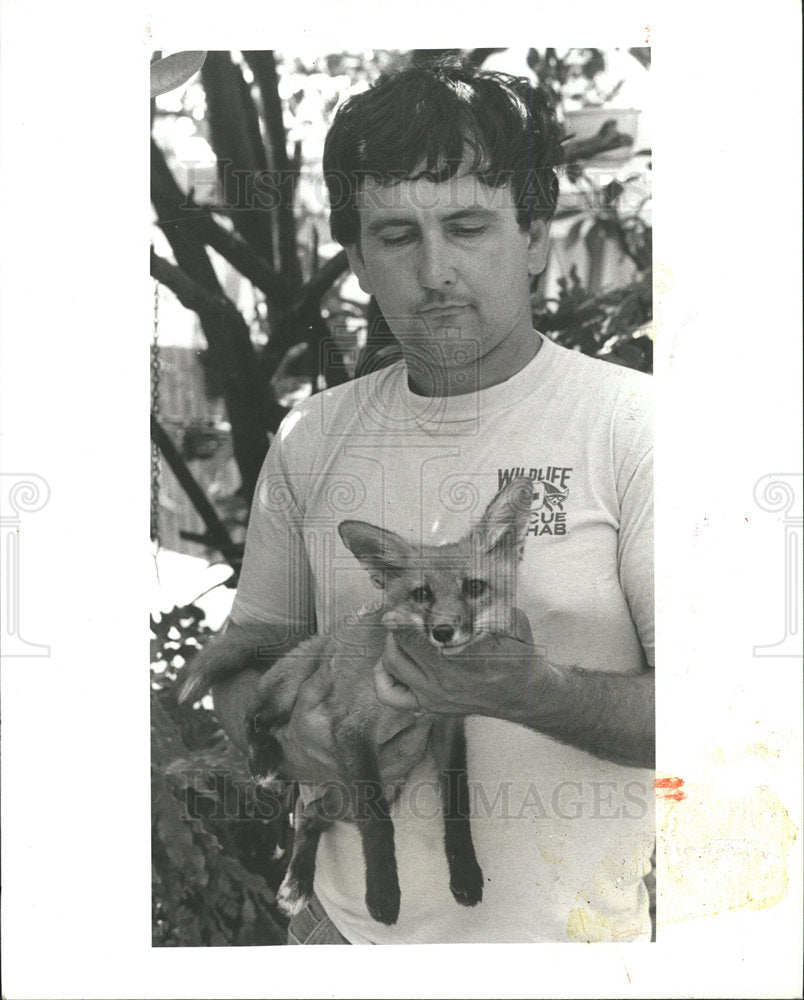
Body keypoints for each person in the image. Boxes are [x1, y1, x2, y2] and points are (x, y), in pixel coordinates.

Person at [208, 62, 655, 945]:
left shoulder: (636, 427)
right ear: (357, 259)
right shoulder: (312, 437)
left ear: (534, 236)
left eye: (467, 226)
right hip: (338, 938)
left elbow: (733, 720)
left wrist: (538, 693)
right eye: (396, 235)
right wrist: (286, 738)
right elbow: (240, 665)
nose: (435, 269)